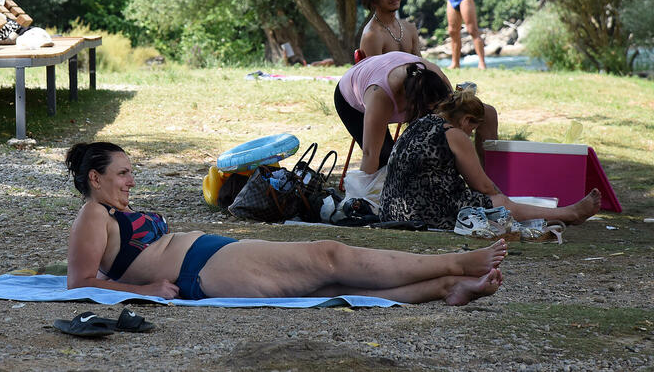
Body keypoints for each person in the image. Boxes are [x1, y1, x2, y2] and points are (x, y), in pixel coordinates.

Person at [65, 142, 507, 305]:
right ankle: (458, 262)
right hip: (200, 269)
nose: (131, 179)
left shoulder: (114, 212)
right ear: (95, 178)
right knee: (330, 257)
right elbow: (79, 281)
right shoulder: (93, 215)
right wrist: (144, 291)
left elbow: (104, 269)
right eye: (122, 172)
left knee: (335, 287)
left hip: (209, 258)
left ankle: (447, 287)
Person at [380, 89, 602, 229]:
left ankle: (546, 217)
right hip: (426, 212)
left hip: (392, 208)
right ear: (466, 120)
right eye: (473, 129)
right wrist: (506, 200)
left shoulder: (420, 124)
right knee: (500, 205)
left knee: (497, 205)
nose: (471, 134)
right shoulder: (454, 134)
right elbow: (483, 186)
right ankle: (569, 213)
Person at [335, 51, 456, 173]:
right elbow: (370, 154)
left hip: (386, 68)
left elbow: (453, 125)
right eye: (428, 108)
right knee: (384, 156)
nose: (432, 111)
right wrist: (364, 189)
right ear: (411, 102)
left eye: (435, 107)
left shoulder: (436, 77)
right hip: (351, 96)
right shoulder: (381, 97)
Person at [358, 0, 422, 58]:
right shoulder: (372, 36)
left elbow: (421, 65)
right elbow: (374, 71)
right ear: (374, 1)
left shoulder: (410, 28)